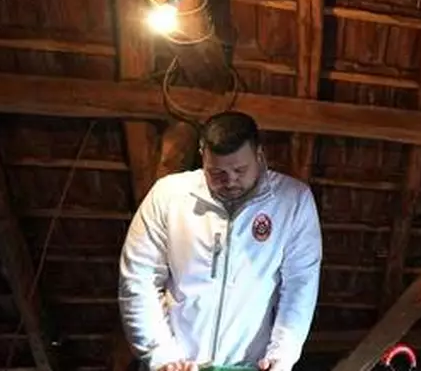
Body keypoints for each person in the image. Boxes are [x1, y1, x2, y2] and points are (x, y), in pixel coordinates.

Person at [119, 111, 322, 371]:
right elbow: (138, 277)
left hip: (251, 364)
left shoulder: (292, 201)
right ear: (202, 154)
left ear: (259, 154)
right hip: (178, 364)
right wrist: (160, 354)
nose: (230, 181)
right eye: (216, 173)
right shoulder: (168, 196)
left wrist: (282, 356)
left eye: (240, 169)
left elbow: (300, 285)